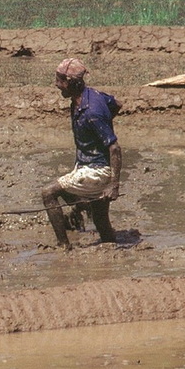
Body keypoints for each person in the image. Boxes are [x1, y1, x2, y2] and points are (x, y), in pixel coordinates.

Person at [41, 58, 122, 249]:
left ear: (71, 83)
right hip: (88, 164)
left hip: (97, 170)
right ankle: (111, 246)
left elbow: (115, 148)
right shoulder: (91, 96)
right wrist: (101, 128)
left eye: (60, 80)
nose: (56, 84)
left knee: (48, 193)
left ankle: (63, 245)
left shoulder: (92, 113)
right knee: (101, 220)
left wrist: (114, 185)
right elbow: (117, 104)